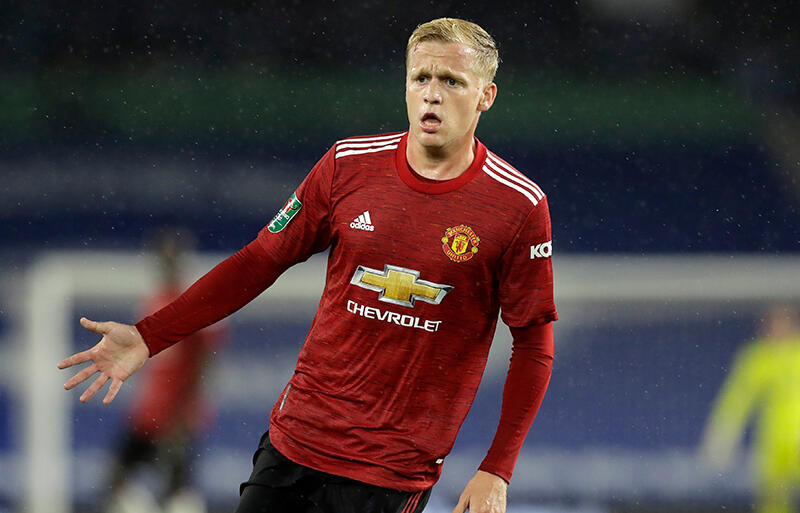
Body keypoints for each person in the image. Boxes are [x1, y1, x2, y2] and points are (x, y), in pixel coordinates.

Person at [59, 18, 557, 513]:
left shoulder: (518, 206)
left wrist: (497, 469)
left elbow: (534, 344)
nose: (432, 94)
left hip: (391, 472)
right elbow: (259, 261)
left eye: (451, 81)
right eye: (420, 77)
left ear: (486, 96)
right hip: (295, 445)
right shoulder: (347, 164)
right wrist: (150, 336)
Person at [102, 230, 225, 513]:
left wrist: (190, 409)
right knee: (116, 478)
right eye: (162, 258)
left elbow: (208, 358)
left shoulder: (193, 302)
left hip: (176, 415)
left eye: (172, 258)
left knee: (176, 487)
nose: (166, 264)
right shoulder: (155, 300)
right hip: (148, 413)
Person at [700, 304, 800, 513]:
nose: (778, 329)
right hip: (771, 442)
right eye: (773, 324)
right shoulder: (757, 358)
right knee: (772, 498)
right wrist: (722, 436)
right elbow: (737, 399)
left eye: (783, 323)